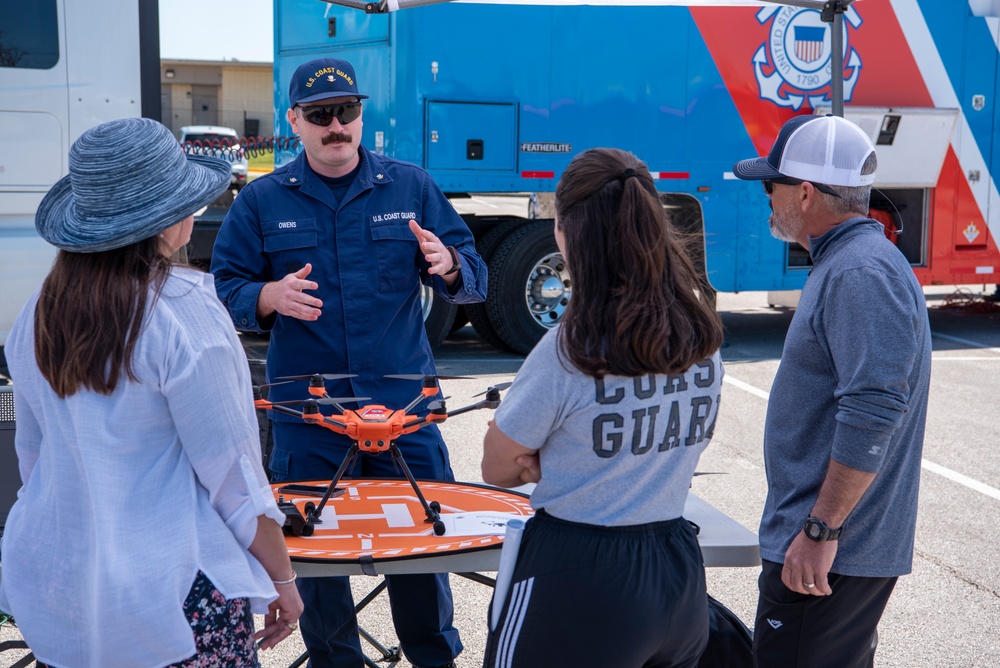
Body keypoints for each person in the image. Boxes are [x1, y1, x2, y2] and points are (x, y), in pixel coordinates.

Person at [210, 57, 487, 668]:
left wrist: (449, 266)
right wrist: (266, 296)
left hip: (405, 410)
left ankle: (434, 658)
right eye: (320, 115)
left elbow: (475, 275)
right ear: (295, 122)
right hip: (307, 415)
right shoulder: (260, 201)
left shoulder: (411, 187)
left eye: (347, 112)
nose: (336, 125)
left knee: (421, 550)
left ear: (362, 116)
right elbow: (223, 286)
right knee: (313, 559)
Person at [0, 118, 303, 667]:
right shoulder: (181, 311)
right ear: (163, 222)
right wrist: (281, 577)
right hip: (174, 592)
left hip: (62, 584)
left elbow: (35, 460)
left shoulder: (39, 310)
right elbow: (233, 480)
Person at [480, 148, 725, 667]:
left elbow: (497, 467)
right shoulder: (700, 338)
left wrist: (557, 456)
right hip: (677, 574)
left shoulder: (570, 348)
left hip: (579, 573)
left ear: (568, 231)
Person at [732, 114, 932, 667]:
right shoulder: (853, 262)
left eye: (771, 186)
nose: (767, 200)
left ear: (804, 192)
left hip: (827, 553)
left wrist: (821, 530)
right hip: (832, 550)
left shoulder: (859, 272)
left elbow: (873, 409)